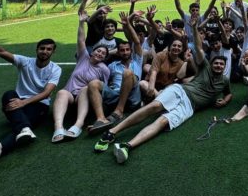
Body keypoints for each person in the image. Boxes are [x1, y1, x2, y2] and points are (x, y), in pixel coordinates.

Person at [93, 17, 232, 164]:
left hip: (190, 107)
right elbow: (198, 47)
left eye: (221, 64)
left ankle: (127, 146)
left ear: (224, 67)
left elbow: (229, 93)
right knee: (155, 106)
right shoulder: (206, 67)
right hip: (181, 91)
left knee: (163, 121)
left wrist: (225, 100)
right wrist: (194, 27)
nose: (218, 66)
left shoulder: (225, 80)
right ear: (211, 64)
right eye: (216, 63)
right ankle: (111, 132)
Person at [0, 33, 62, 165]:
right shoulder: (25, 62)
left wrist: (24, 102)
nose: (45, 51)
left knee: (20, 125)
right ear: (37, 49)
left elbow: (46, 93)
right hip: (18, 104)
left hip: (39, 105)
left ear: (53, 52)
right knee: (9, 94)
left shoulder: (55, 69)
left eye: (49, 49)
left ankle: (0, 147)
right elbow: (0, 51)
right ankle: (25, 129)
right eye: (42, 48)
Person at [51, 11, 110, 143]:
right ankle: (58, 127)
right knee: (61, 92)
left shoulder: (104, 69)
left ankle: (78, 124)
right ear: (92, 51)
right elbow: (81, 40)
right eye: (98, 51)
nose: (100, 54)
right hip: (70, 96)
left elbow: (102, 88)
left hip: (84, 98)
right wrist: (81, 22)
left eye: (103, 54)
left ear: (105, 58)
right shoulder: (83, 57)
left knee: (85, 88)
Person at [87, 12, 144, 135]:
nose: (125, 52)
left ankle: (119, 111)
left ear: (131, 51)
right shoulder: (112, 65)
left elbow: (137, 42)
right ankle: (101, 119)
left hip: (133, 97)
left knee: (128, 73)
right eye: (122, 50)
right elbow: (105, 80)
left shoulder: (137, 61)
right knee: (93, 83)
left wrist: (127, 24)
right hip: (115, 95)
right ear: (118, 52)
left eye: (127, 50)